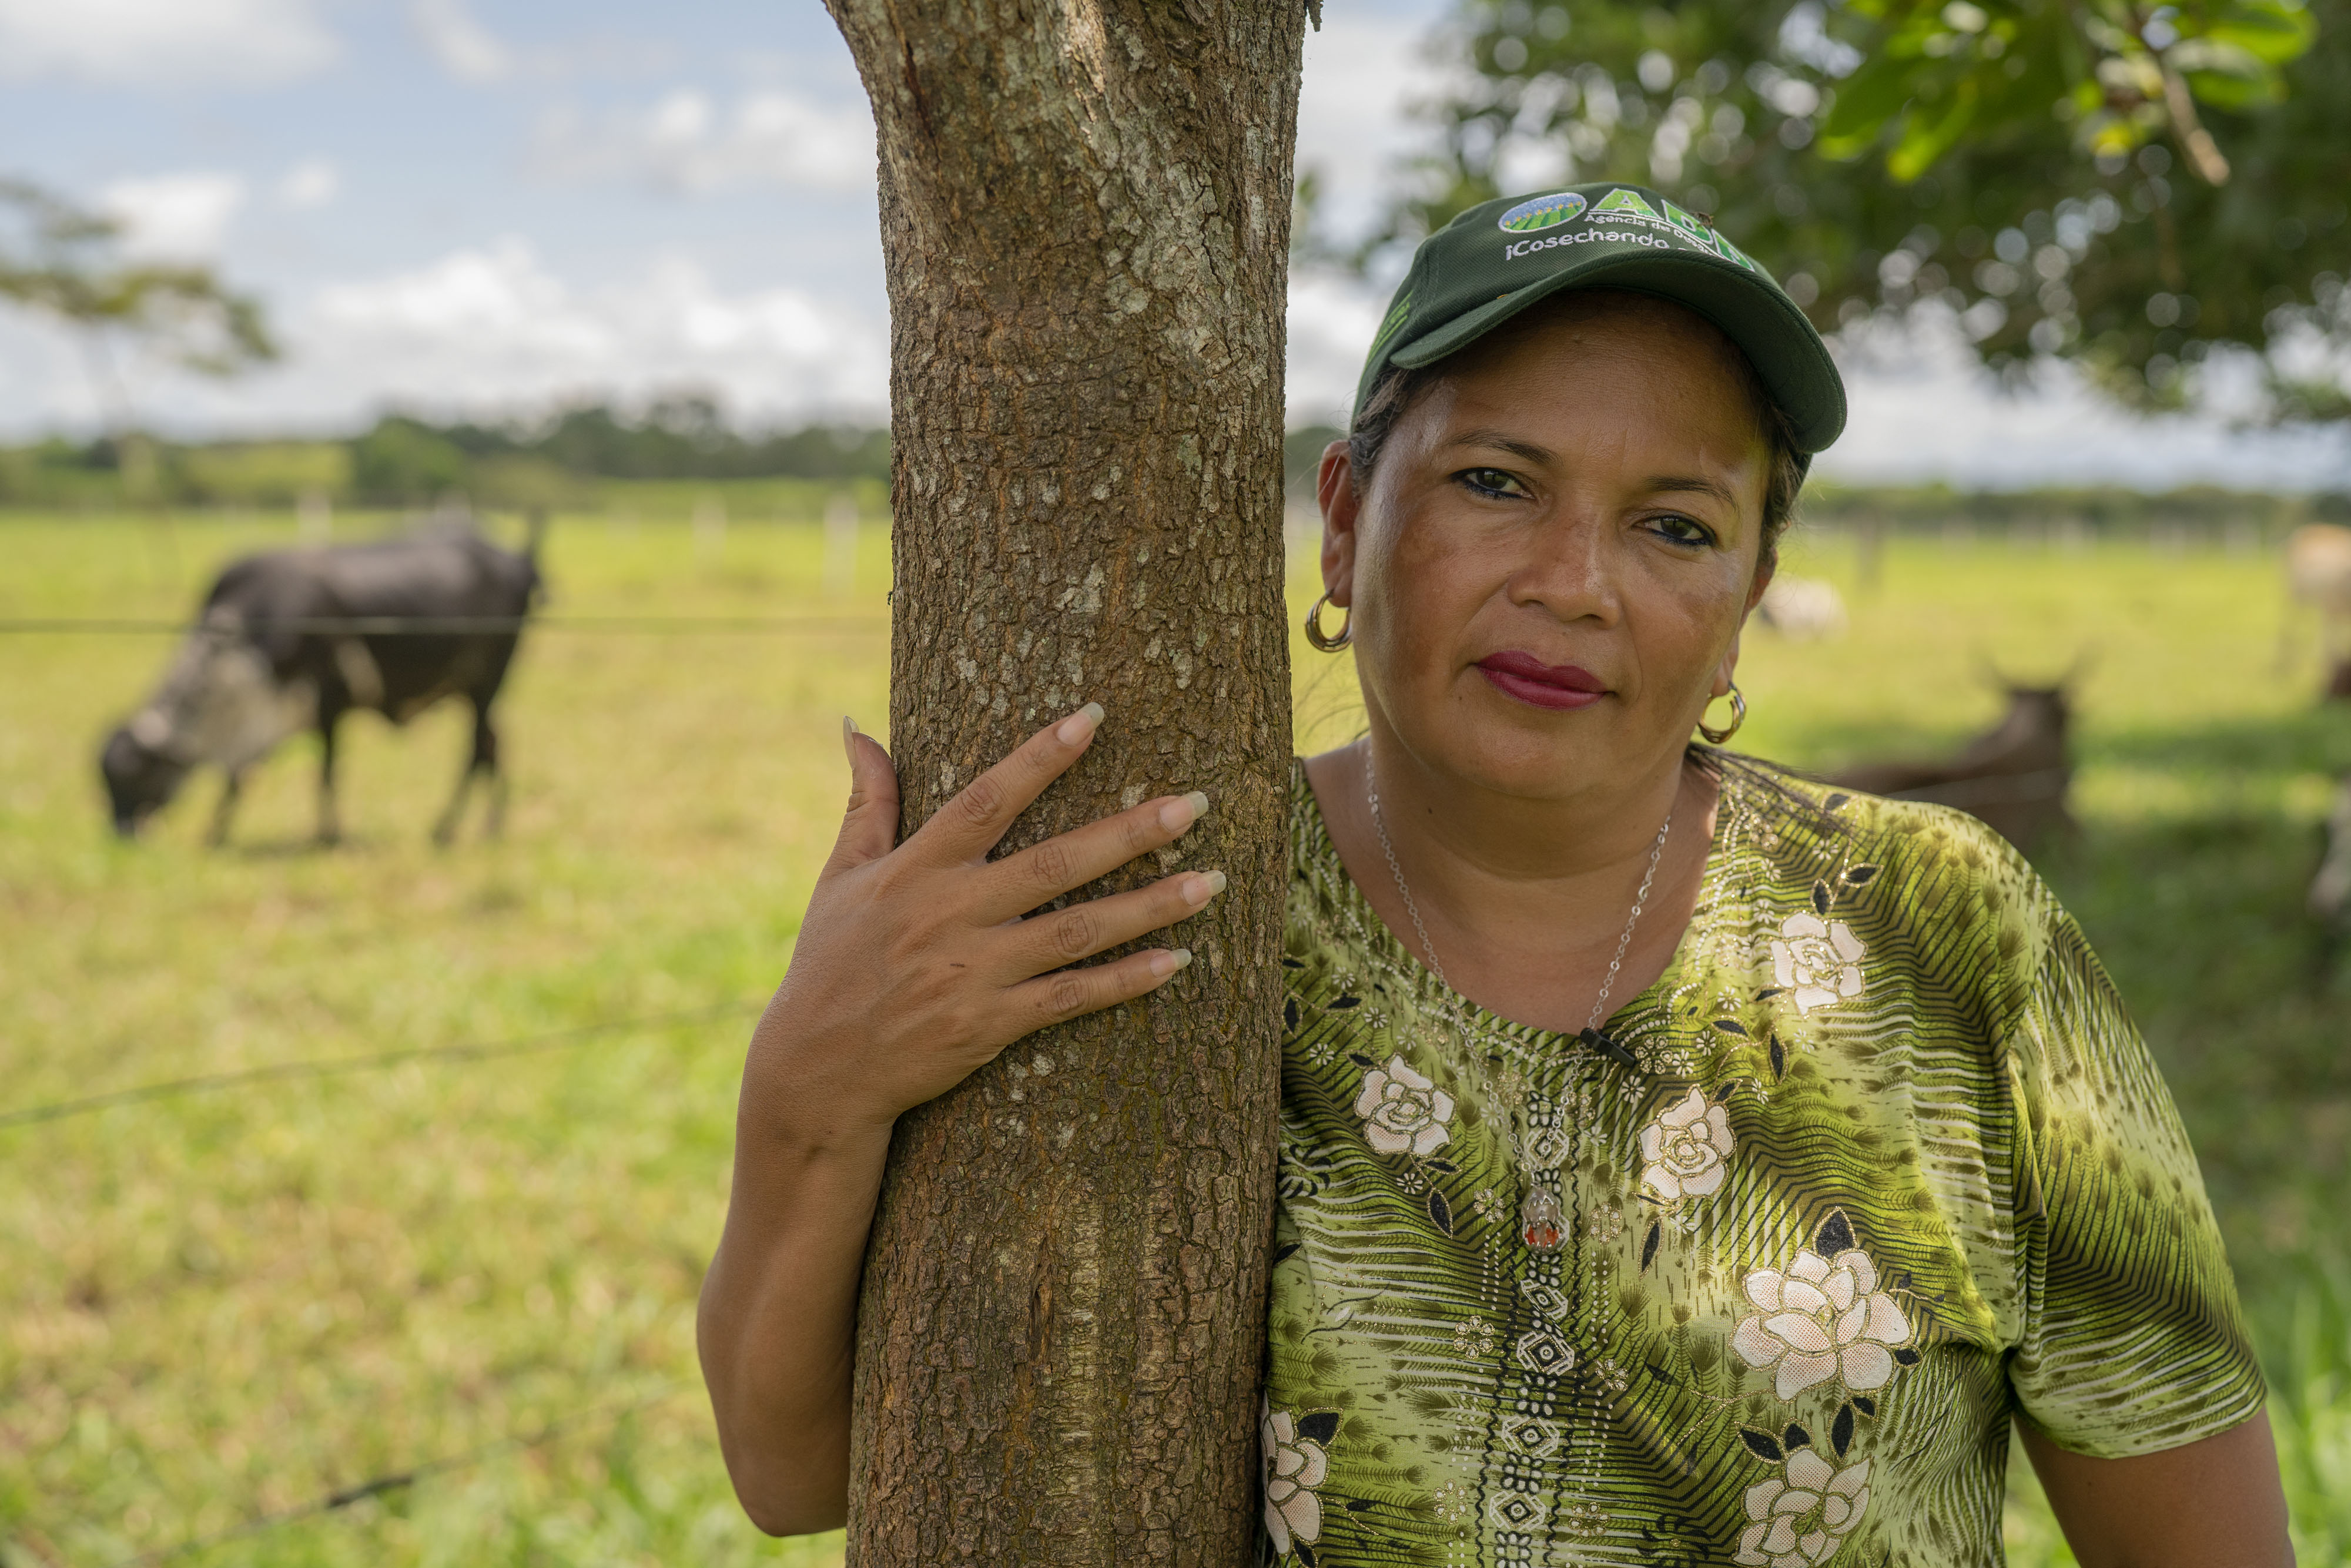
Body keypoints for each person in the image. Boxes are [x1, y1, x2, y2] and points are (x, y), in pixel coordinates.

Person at [697, 182, 2292, 1566]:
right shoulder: (1171, 905)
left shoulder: (1946, 935)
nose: (1572, 584)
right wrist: (812, 1082)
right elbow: (794, 1471)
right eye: (1494, 483)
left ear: (1748, 597)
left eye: (1674, 526)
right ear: (1343, 523)